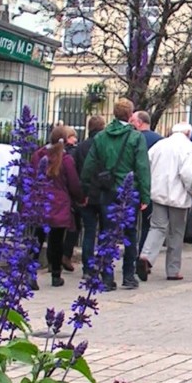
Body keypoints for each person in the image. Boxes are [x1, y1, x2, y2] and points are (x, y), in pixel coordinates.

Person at [80, 98, 150, 290]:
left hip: (107, 191)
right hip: (130, 192)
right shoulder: (136, 137)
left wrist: (85, 188)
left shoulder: (101, 137)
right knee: (130, 234)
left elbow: (89, 165)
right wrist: (145, 195)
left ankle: (107, 276)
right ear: (130, 115)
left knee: (107, 233)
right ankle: (128, 275)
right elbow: (142, 167)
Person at [137, 122, 192, 281]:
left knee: (157, 227)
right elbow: (187, 173)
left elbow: (147, 164)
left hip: (158, 193)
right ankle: (173, 270)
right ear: (187, 133)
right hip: (178, 196)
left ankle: (146, 255)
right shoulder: (189, 147)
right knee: (176, 232)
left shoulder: (160, 144)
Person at [36, 125, 83, 288]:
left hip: (40, 203)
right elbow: (74, 183)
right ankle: (56, 275)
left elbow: (30, 174)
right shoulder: (66, 159)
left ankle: (29, 274)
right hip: (59, 204)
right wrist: (80, 198)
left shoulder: (39, 155)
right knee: (56, 241)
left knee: (37, 239)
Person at [74, 115, 106, 278]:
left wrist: (81, 193)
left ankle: (87, 267)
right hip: (103, 193)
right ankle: (101, 264)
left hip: (86, 194)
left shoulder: (81, 147)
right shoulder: (105, 145)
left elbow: (77, 170)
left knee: (89, 231)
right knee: (104, 232)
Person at [131, 110, 162, 254]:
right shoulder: (160, 140)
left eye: (132, 121)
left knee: (129, 224)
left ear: (139, 122)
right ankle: (143, 254)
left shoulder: (132, 138)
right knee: (147, 224)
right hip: (152, 185)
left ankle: (131, 255)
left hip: (132, 184)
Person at [60, 125, 81, 272]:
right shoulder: (72, 154)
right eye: (74, 136)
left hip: (55, 195)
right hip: (68, 196)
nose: (76, 139)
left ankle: (55, 259)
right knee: (74, 227)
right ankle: (65, 255)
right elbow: (74, 177)